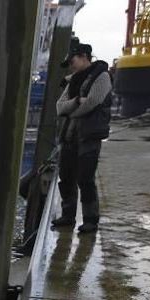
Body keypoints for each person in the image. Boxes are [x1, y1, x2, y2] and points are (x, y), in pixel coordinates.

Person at [51, 41, 113, 234]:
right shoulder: (74, 81)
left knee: (85, 178)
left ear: (84, 57)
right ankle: (68, 215)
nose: (71, 65)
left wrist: (72, 111)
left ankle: (90, 219)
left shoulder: (102, 76)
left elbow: (93, 102)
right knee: (66, 176)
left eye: (72, 61)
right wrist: (77, 101)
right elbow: (59, 106)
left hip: (89, 135)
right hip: (70, 135)